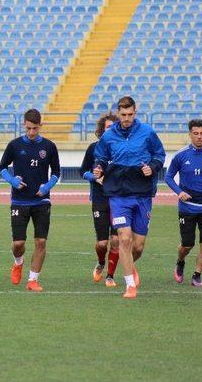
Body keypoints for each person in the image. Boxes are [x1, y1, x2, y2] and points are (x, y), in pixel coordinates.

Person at [94, 96, 166, 299]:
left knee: (138, 245)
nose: (126, 118)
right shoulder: (108, 136)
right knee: (124, 239)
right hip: (118, 194)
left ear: (135, 113)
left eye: (130, 114)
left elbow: (159, 155)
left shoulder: (147, 132)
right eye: (123, 115)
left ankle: (131, 265)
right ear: (118, 113)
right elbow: (100, 157)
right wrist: (98, 168)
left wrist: (152, 168)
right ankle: (129, 285)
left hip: (142, 194)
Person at [0, 108, 60, 292]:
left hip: (41, 202)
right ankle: (18, 262)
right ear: (24, 125)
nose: (32, 132)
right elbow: (2, 167)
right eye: (29, 128)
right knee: (18, 244)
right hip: (19, 201)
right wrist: (12, 180)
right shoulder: (15, 145)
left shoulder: (49, 146)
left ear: (41, 126)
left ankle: (33, 280)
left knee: (40, 242)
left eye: (35, 128)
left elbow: (56, 172)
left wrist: (47, 187)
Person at [165, 119, 202, 287]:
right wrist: (179, 192)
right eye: (195, 133)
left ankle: (197, 275)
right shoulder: (180, 155)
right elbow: (168, 177)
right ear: (190, 134)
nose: (199, 137)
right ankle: (180, 261)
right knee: (187, 244)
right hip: (187, 207)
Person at [79, 113, 120, 287]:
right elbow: (83, 171)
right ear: (102, 130)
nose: (111, 130)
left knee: (116, 241)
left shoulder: (123, 149)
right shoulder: (93, 148)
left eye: (114, 127)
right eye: (108, 128)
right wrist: (95, 178)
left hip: (119, 199)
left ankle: (110, 276)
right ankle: (101, 262)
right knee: (102, 243)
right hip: (99, 198)